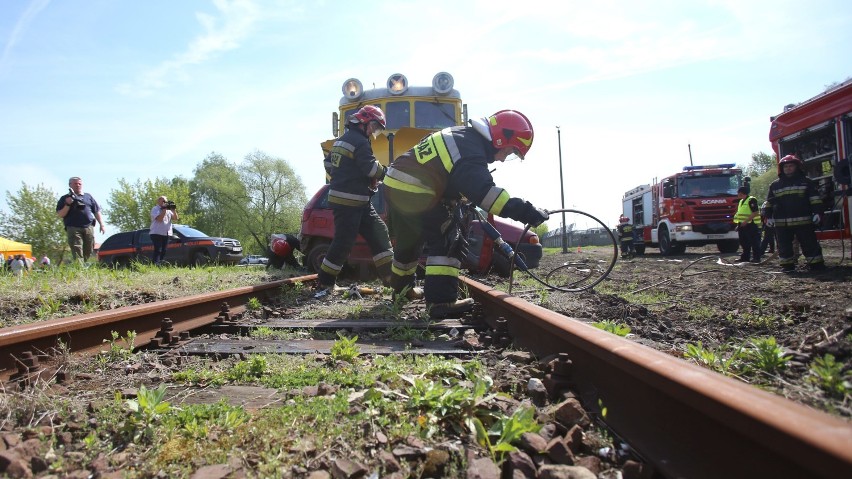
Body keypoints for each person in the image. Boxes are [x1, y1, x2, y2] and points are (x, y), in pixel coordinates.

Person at [383, 109, 549, 319]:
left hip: (394, 187)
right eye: (507, 152)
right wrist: (526, 212)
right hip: (416, 191)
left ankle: (401, 292)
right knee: (449, 240)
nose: (503, 160)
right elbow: (488, 196)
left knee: (409, 244)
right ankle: (441, 302)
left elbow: (442, 170)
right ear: (499, 139)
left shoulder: (461, 136)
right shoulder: (470, 150)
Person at [316, 105, 394, 294]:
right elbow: (371, 168)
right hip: (349, 201)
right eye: (374, 127)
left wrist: (349, 176)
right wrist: (387, 173)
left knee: (379, 233)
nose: (374, 132)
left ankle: (391, 280)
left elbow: (329, 164)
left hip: (359, 201)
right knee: (343, 242)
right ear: (364, 121)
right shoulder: (360, 141)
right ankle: (325, 283)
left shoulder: (341, 141)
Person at [764, 155, 825, 272]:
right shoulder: (775, 185)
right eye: (785, 166)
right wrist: (768, 216)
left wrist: (817, 213)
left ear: (797, 167)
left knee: (809, 244)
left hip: (803, 221)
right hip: (782, 223)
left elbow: (815, 199)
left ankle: (816, 265)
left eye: (791, 166)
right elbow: (769, 203)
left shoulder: (806, 182)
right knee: (784, 246)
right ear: (782, 168)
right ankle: (787, 267)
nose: (788, 168)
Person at [56, 176, 105, 262]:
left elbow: (96, 211)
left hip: (88, 227)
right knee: (76, 248)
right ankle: (79, 267)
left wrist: (102, 224)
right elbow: (60, 214)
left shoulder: (88, 196)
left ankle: (84, 265)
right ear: (70, 185)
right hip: (73, 227)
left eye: (79, 184)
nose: (78, 185)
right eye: (75, 184)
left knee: (89, 248)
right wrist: (68, 204)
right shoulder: (64, 198)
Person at [733, 186, 762, 263]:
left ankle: (756, 258)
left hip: (751, 225)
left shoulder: (751, 200)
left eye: (738, 192)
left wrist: (745, 221)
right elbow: (740, 214)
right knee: (744, 242)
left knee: (754, 242)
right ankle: (745, 257)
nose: (737, 194)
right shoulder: (741, 201)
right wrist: (738, 225)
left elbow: (755, 212)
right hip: (742, 225)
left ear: (741, 193)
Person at [149, 196, 179, 265]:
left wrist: (173, 209)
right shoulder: (155, 209)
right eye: (163, 201)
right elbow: (159, 219)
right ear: (158, 201)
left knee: (164, 250)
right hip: (156, 233)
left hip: (166, 233)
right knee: (158, 249)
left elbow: (175, 218)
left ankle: (160, 263)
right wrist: (164, 210)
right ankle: (155, 263)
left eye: (166, 201)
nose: (165, 203)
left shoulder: (168, 210)